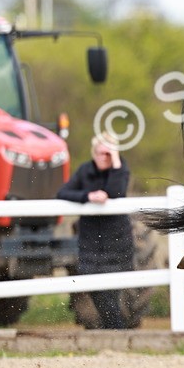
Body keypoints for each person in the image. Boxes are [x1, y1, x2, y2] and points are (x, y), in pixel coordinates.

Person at [57, 132, 132, 329]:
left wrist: (115, 160)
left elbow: (116, 192)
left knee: (112, 291)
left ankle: (114, 329)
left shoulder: (121, 170)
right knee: (95, 288)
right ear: (93, 152)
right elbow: (63, 193)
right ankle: (116, 329)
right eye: (100, 153)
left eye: (107, 154)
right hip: (91, 241)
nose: (102, 157)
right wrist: (88, 196)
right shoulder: (84, 171)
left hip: (116, 241)